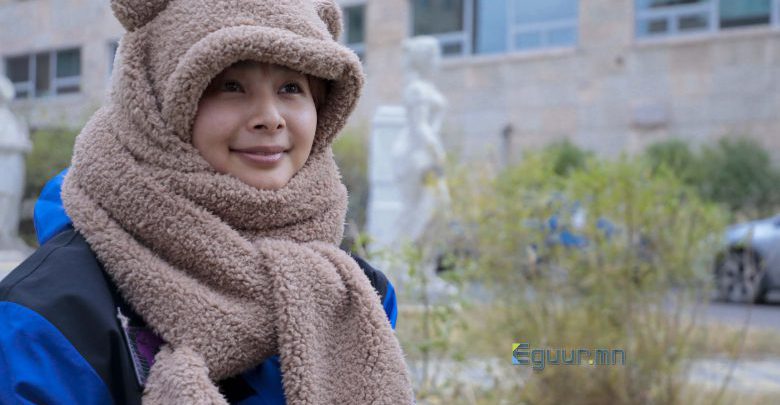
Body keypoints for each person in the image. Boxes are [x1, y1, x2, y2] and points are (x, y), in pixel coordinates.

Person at [0, 0, 414, 404]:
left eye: (291, 88)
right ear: (155, 103)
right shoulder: (46, 320)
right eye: (230, 86)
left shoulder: (355, 297)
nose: (270, 117)